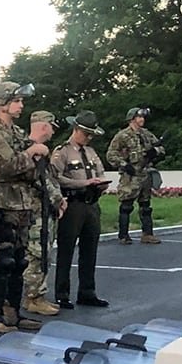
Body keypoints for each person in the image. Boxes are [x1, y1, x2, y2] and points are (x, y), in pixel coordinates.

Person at [0, 80, 49, 333]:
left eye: (20, 101)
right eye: (16, 101)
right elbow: (7, 167)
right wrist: (32, 152)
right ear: (1, 104)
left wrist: (29, 158)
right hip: (1, 205)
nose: (20, 105)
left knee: (19, 262)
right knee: (3, 261)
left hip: (22, 205)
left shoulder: (16, 133)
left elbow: (31, 170)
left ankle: (13, 313)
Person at [50, 112, 112, 309]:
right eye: (86, 134)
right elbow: (55, 177)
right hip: (73, 203)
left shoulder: (91, 152)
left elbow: (100, 172)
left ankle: (87, 291)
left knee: (90, 250)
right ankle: (62, 293)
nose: (89, 138)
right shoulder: (63, 152)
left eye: (91, 134)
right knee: (66, 250)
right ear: (76, 130)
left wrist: (101, 184)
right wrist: (83, 183)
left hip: (92, 204)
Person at [20, 109, 66, 318]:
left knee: (43, 252)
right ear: (45, 126)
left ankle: (37, 295)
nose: (52, 133)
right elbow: (40, 180)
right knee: (37, 254)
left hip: (42, 210)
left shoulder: (35, 150)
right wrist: (58, 200)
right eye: (52, 128)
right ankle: (33, 297)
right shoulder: (32, 150)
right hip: (35, 210)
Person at [107, 107, 165, 244]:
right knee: (126, 206)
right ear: (132, 119)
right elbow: (111, 154)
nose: (142, 120)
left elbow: (161, 149)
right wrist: (124, 164)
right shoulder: (122, 136)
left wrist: (155, 152)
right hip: (130, 175)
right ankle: (123, 235)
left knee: (146, 206)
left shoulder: (147, 134)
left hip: (145, 173)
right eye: (139, 117)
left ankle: (147, 234)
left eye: (143, 117)